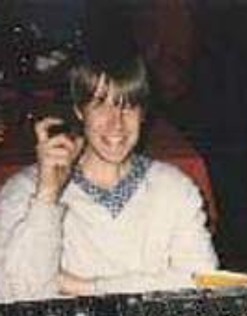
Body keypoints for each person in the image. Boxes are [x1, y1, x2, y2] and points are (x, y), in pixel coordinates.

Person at [0, 53, 218, 302]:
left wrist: (84, 286)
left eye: (129, 106)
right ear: (79, 111)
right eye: (100, 105)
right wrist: (47, 197)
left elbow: (202, 283)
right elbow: (13, 295)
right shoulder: (25, 189)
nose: (117, 124)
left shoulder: (174, 188)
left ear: (143, 114)